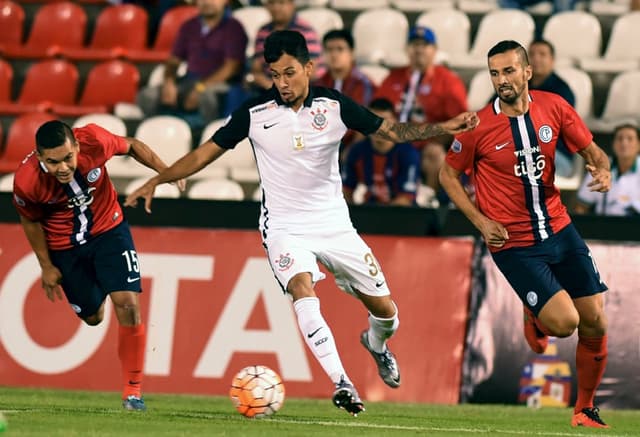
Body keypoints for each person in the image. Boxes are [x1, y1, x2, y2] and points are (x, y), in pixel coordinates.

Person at [125, 30, 478, 415]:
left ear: (309, 68)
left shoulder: (334, 105)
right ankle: (342, 381)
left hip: (334, 225)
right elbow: (204, 153)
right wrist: (157, 179)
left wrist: (444, 126)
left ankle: (376, 345)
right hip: (284, 226)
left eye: (290, 73)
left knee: (387, 313)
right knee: (301, 287)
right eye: (275, 75)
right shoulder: (254, 113)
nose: (282, 83)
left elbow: (391, 131)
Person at [439, 40, 612, 429]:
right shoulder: (477, 126)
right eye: (495, 73)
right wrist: (481, 222)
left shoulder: (555, 107)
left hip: (559, 226)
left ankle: (584, 409)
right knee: (565, 323)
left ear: (527, 71)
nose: (502, 80)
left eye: (509, 71)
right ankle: (535, 311)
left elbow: (593, 152)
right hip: (513, 242)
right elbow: (446, 174)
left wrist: (602, 170)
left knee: (596, 321)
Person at [12, 120, 186, 411]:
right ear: (41, 157)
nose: (64, 167)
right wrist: (46, 266)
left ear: (77, 147)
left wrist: (164, 172)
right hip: (64, 247)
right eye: (53, 162)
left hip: (109, 230)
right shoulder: (27, 181)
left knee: (128, 303)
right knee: (93, 317)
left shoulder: (95, 140)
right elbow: (29, 220)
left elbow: (132, 145)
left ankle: (133, 392)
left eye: (69, 157)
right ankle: (99, 289)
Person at [137, 0, 248, 126]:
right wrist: (169, 82)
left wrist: (201, 87)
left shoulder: (234, 28)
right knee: (148, 95)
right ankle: (160, 134)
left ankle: (206, 138)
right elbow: (173, 61)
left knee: (207, 96)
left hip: (222, 85)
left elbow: (231, 67)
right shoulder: (189, 26)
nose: (207, 2)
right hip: (189, 81)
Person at [374, 26, 467, 133]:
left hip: (429, 141)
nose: (419, 50)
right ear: (406, 48)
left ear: (435, 49)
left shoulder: (449, 81)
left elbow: (459, 122)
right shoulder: (392, 77)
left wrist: (438, 143)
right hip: (392, 141)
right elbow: (375, 112)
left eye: (424, 44)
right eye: (414, 44)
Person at [342, 98, 421, 206]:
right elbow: (345, 192)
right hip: (368, 212)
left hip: (402, 217)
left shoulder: (408, 153)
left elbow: (405, 199)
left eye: (384, 121)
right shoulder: (356, 151)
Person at [316, 29, 377, 150]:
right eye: (329, 50)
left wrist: (351, 151)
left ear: (352, 53)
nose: (334, 54)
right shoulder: (318, 83)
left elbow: (364, 124)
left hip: (350, 146)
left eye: (340, 49)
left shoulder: (363, 84)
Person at [248, 0, 322, 92]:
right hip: (269, 89)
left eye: (281, 2)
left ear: (292, 4)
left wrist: (282, 87)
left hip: (300, 89)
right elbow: (256, 69)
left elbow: (311, 71)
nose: (276, 8)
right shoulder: (263, 31)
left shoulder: (305, 31)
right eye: (271, 3)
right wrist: (271, 86)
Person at [528, 39, 576, 177]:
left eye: (542, 54)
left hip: (555, 154)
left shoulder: (563, 92)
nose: (536, 58)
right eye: (532, 54)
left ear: (552, 60)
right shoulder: (516, 86)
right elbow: (493, 110)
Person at [575, 123, 640, 216]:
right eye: (620, 138)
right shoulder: (600, 167)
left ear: (638, 145)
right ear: (613, 144)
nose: (624, 143)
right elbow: (581, 206)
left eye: (630, 139)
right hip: (604, 226)